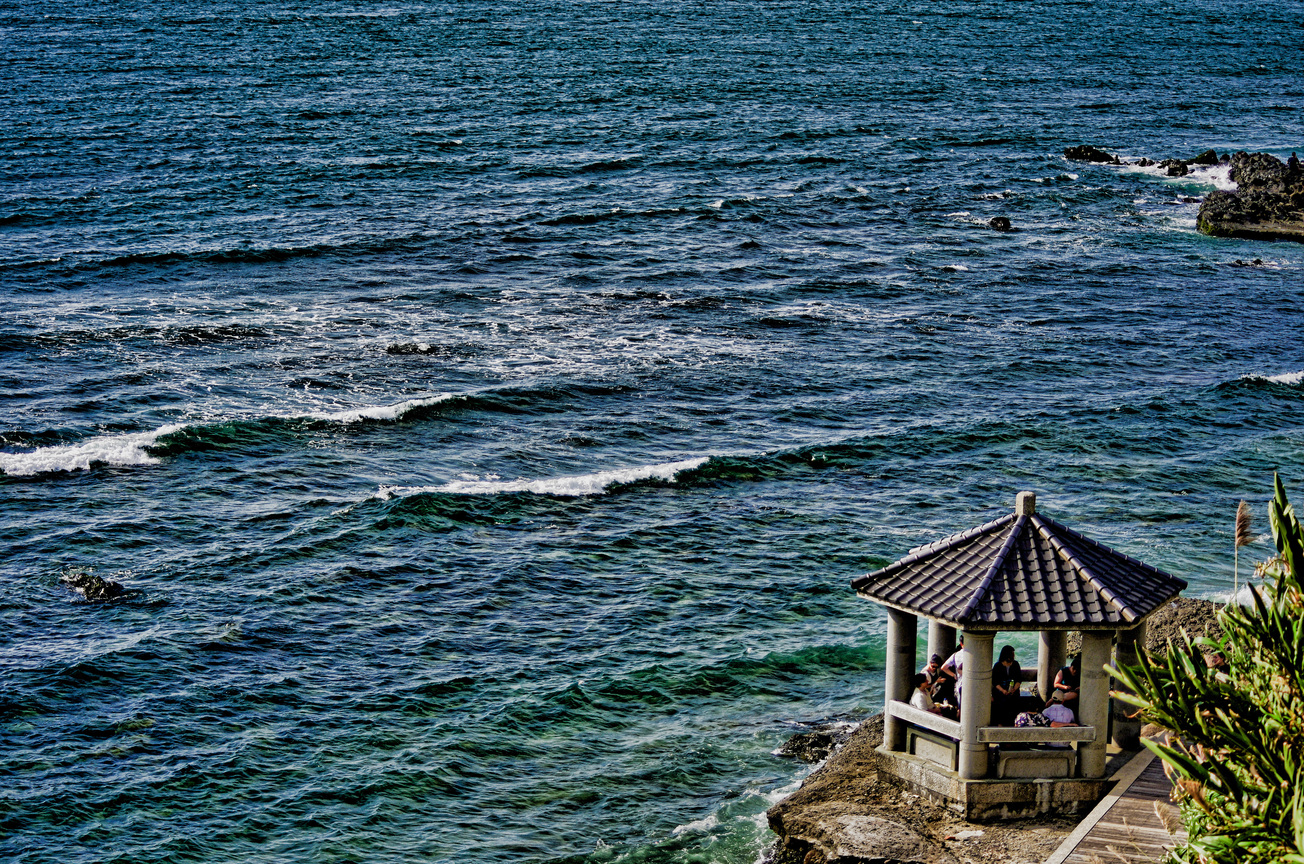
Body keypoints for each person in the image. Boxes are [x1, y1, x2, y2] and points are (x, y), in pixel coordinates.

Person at [991, 645, 1022, 725]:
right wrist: (1003, 690)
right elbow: (995, 682)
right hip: (1000, 692)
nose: (1013, 656)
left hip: (1013, 691)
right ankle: (1000, 724)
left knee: (1014, 704)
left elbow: (1019, 679)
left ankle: (1013, 723)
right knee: (1000, 705)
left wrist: (1014, 689)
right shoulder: (997, 666)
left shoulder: (1015, 664)